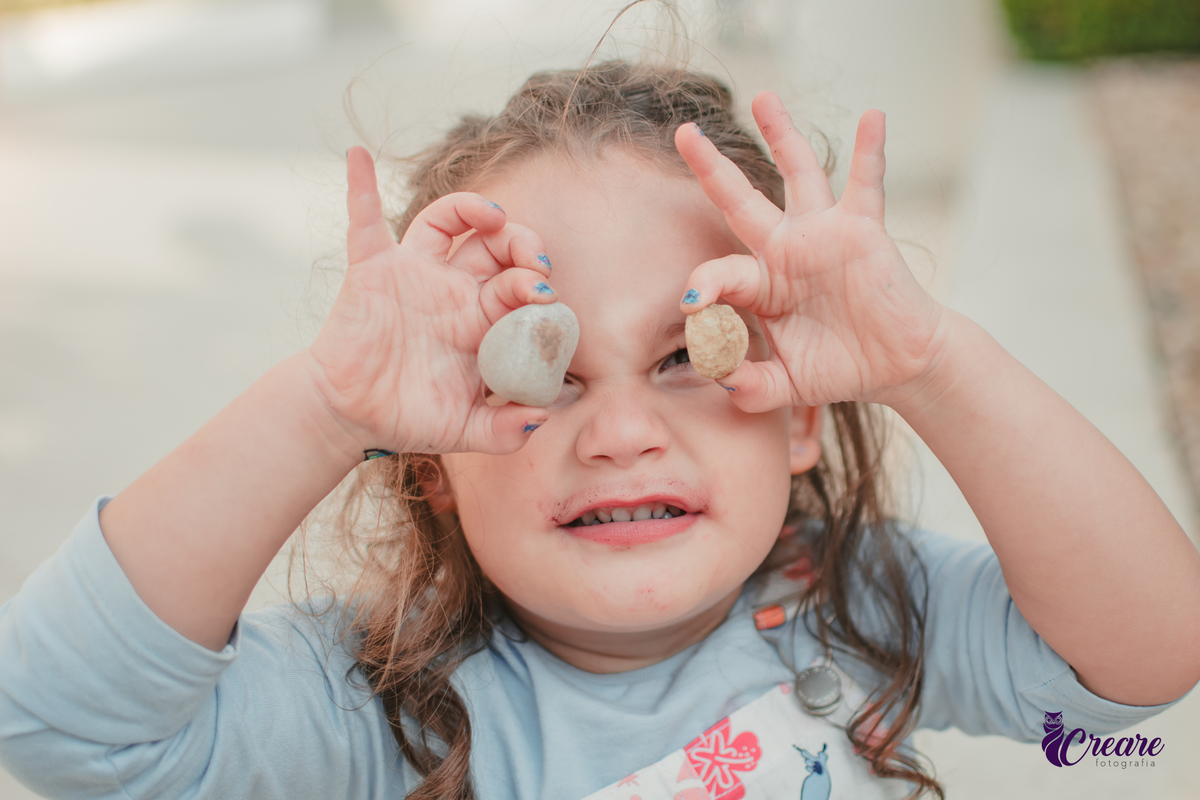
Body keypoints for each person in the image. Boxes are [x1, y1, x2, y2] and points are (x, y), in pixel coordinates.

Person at [2, 59, 1199, 800]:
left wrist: (934, 364)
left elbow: (1149, 659)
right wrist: (323, 406)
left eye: (686, 358)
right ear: (433, 463)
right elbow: (52, 718)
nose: (620, 431)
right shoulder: (388, 705)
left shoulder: (866, 612)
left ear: (799, 414)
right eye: (543, 374)